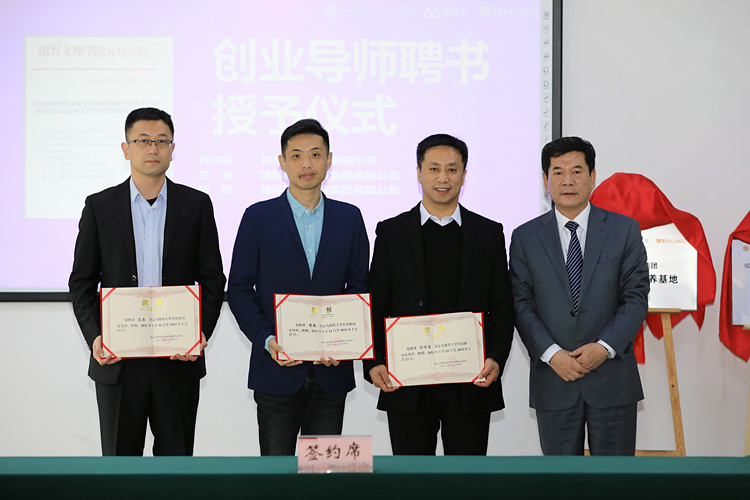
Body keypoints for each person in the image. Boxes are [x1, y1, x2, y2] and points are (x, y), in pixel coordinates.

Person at [68, 107, 226, 456]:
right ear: (126, 149)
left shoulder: (197, 204)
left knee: (176, 465)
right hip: (119, 362)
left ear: (172, 149)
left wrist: (199, 333)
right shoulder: (99, 206)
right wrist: (96, 337)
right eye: (143, 141)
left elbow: (213, 278)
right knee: (120, 465)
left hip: (177, 359)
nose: (152, 149)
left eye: (161, 141)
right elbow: (81, 282)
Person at [363, 134, 515, 455]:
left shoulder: (488, 233)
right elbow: (376, 302)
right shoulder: (391, 232)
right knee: (411, 476)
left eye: (452, 169)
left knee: (467, 477)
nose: (443, 178)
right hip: (406, 381)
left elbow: (502, 304)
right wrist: (374, 361)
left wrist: (496, 357)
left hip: (470, 380)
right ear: (419, 173)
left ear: (464, 175)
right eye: (434, 169)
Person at [227, 118, 369, 456]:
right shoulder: (257, 217)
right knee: (276, 473)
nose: (307, 164)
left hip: (331, 371)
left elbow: (359, 287)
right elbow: (239, 288)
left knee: (324, 472)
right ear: (282, 162)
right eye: (296, 155)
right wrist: (267, 340)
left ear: (329, 160)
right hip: (276, 369)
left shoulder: (349, 218)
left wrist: (344, 340)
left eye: (315, 154)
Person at [509, 136, 649, 456]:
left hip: (612, 380)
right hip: (554, 379)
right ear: (545, 179)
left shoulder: (624, 230)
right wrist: (552, 354)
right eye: (558, 172)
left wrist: (604, 347)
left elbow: (636, 297)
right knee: (561, 480)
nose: (567, 180)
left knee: (615, 479)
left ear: (593, 176)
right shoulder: (525, 237)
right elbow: (520, 303)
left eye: (576, 171)